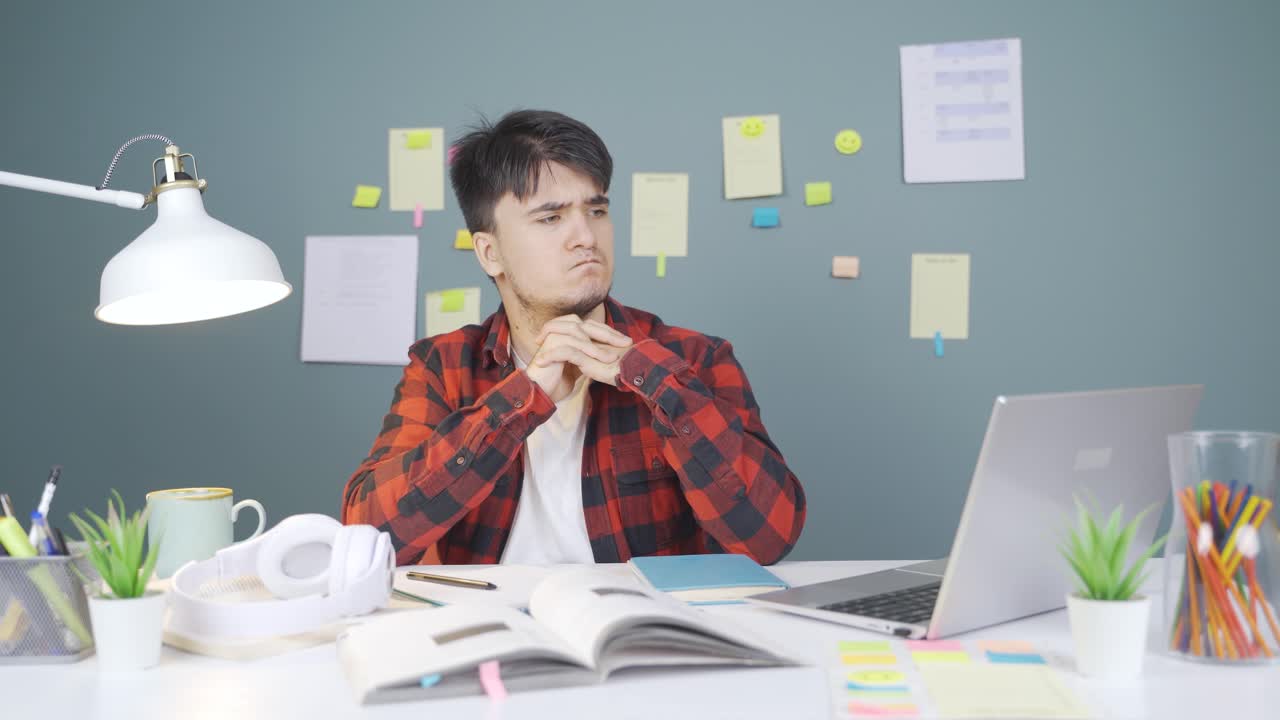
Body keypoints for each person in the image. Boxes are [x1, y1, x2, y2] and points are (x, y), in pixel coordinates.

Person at [342, 109, 805, 565]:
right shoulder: (444, 367)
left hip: (637, 615)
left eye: (597, 211)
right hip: (494, 613)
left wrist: (655, 382)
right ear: (490, 252)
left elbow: (770, 537)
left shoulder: (695, 359)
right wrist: (521, 401)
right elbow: (369, 536)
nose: (586, 236)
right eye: (551, 218)